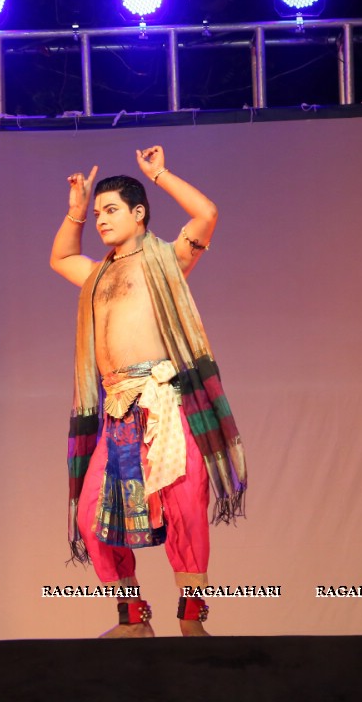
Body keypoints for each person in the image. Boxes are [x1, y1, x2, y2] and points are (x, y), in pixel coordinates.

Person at [49, 146, 246, 637]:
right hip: (117, 409)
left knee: (184, 507)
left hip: (163, 401)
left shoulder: (167, 260)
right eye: (97, 214)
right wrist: (74, 212)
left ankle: (192, 619)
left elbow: (206, 214)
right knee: (93, 511)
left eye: (110, 210)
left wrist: (158, 174)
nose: (101, 220)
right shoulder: (97, 275)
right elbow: (61, 257)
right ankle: (133, 617)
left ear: (139, 215)